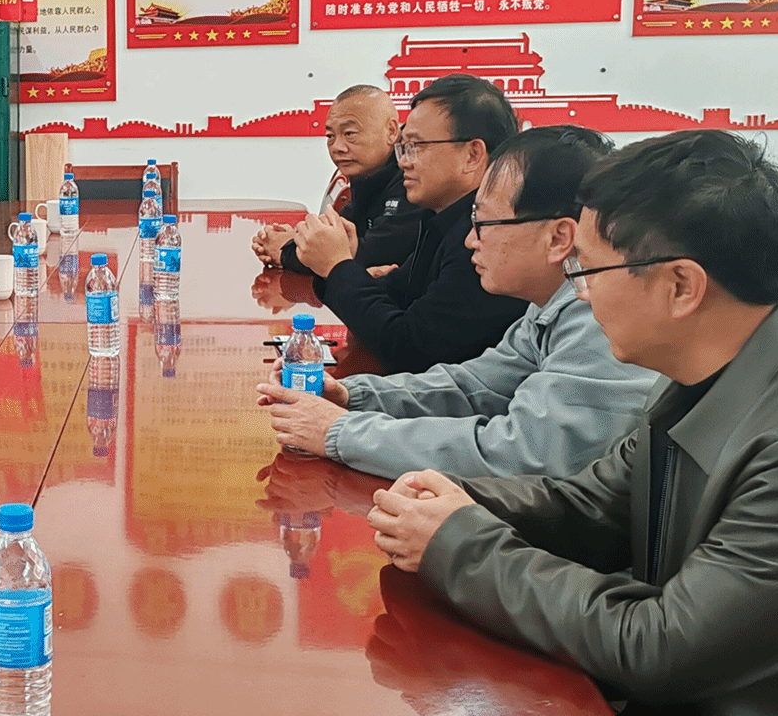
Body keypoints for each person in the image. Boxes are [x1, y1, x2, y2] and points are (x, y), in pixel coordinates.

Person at [366, 130, 778, 716]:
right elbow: (597, 506)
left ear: (681, 285)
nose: (577, 296)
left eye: (588, 271)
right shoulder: (718, 360)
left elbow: (661, 647)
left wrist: (457, 541)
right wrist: (457, 500)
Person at [257, 126, 658, 479]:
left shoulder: (600, 316)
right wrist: (352, 397)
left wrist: (340, 432)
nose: (470, 240)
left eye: (483, 223)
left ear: (558, 238)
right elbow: (473, 387)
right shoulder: (551, 303)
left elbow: (521, 454)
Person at [298, 74, 528, 373]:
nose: (404, 162)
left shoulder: (488, 236)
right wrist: (348, 271)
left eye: (416, 146)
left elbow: (410, 349)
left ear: (473, 155)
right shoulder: (443, 218)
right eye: (403, 148)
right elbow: (398, 295)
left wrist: (338, 267)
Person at [253, 85, 418, 275]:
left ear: (391, 131)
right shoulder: (368, 172)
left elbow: (374, 253)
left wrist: (285, 250)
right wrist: (299, 238)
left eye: (349, 134)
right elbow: (342, 233)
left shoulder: (413, 175)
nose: (337, 147)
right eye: (330, 136)